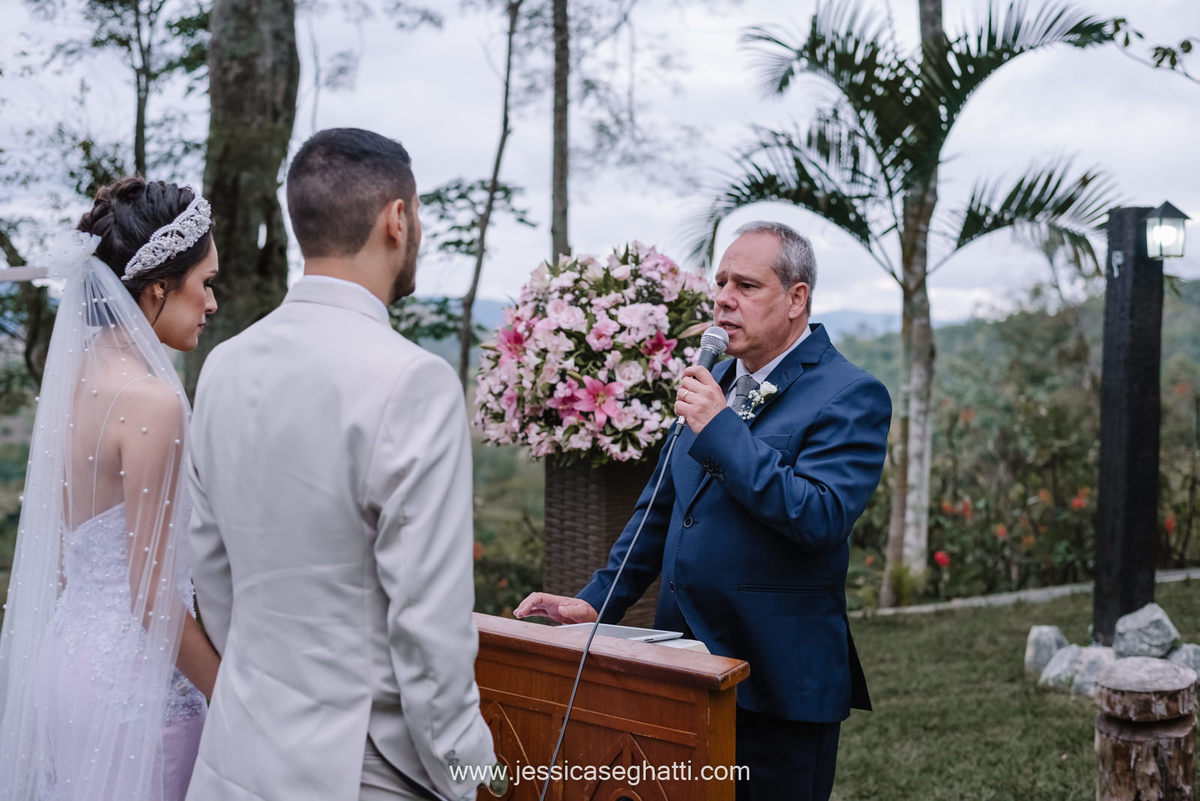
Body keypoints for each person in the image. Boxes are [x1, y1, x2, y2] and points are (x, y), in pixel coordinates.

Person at [515, 221, 891, 801]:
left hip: (776, 686)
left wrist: (720, 429)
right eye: (720, 283)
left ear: (797, 299)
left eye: (746, 285)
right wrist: (595, 600)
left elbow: (820, 518)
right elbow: (661, 509)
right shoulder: (713, 382)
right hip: (684, 670)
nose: (723, 299)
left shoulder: (850, 395)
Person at [185, 128, 496, 801]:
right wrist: (470, 771)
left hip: (236, 757)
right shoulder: (415, 379)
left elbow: (211, 575)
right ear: (397, 218)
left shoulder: (223, 366)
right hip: (362, 769)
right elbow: (430, 626)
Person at [0, 178, 222, 801]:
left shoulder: (77, 375)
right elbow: (152, 595)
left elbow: (75, 558)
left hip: (67, 663)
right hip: (137, 694)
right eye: (203, 283)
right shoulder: (151, 401)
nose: (210, 303)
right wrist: (229, 692)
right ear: (157, 287)